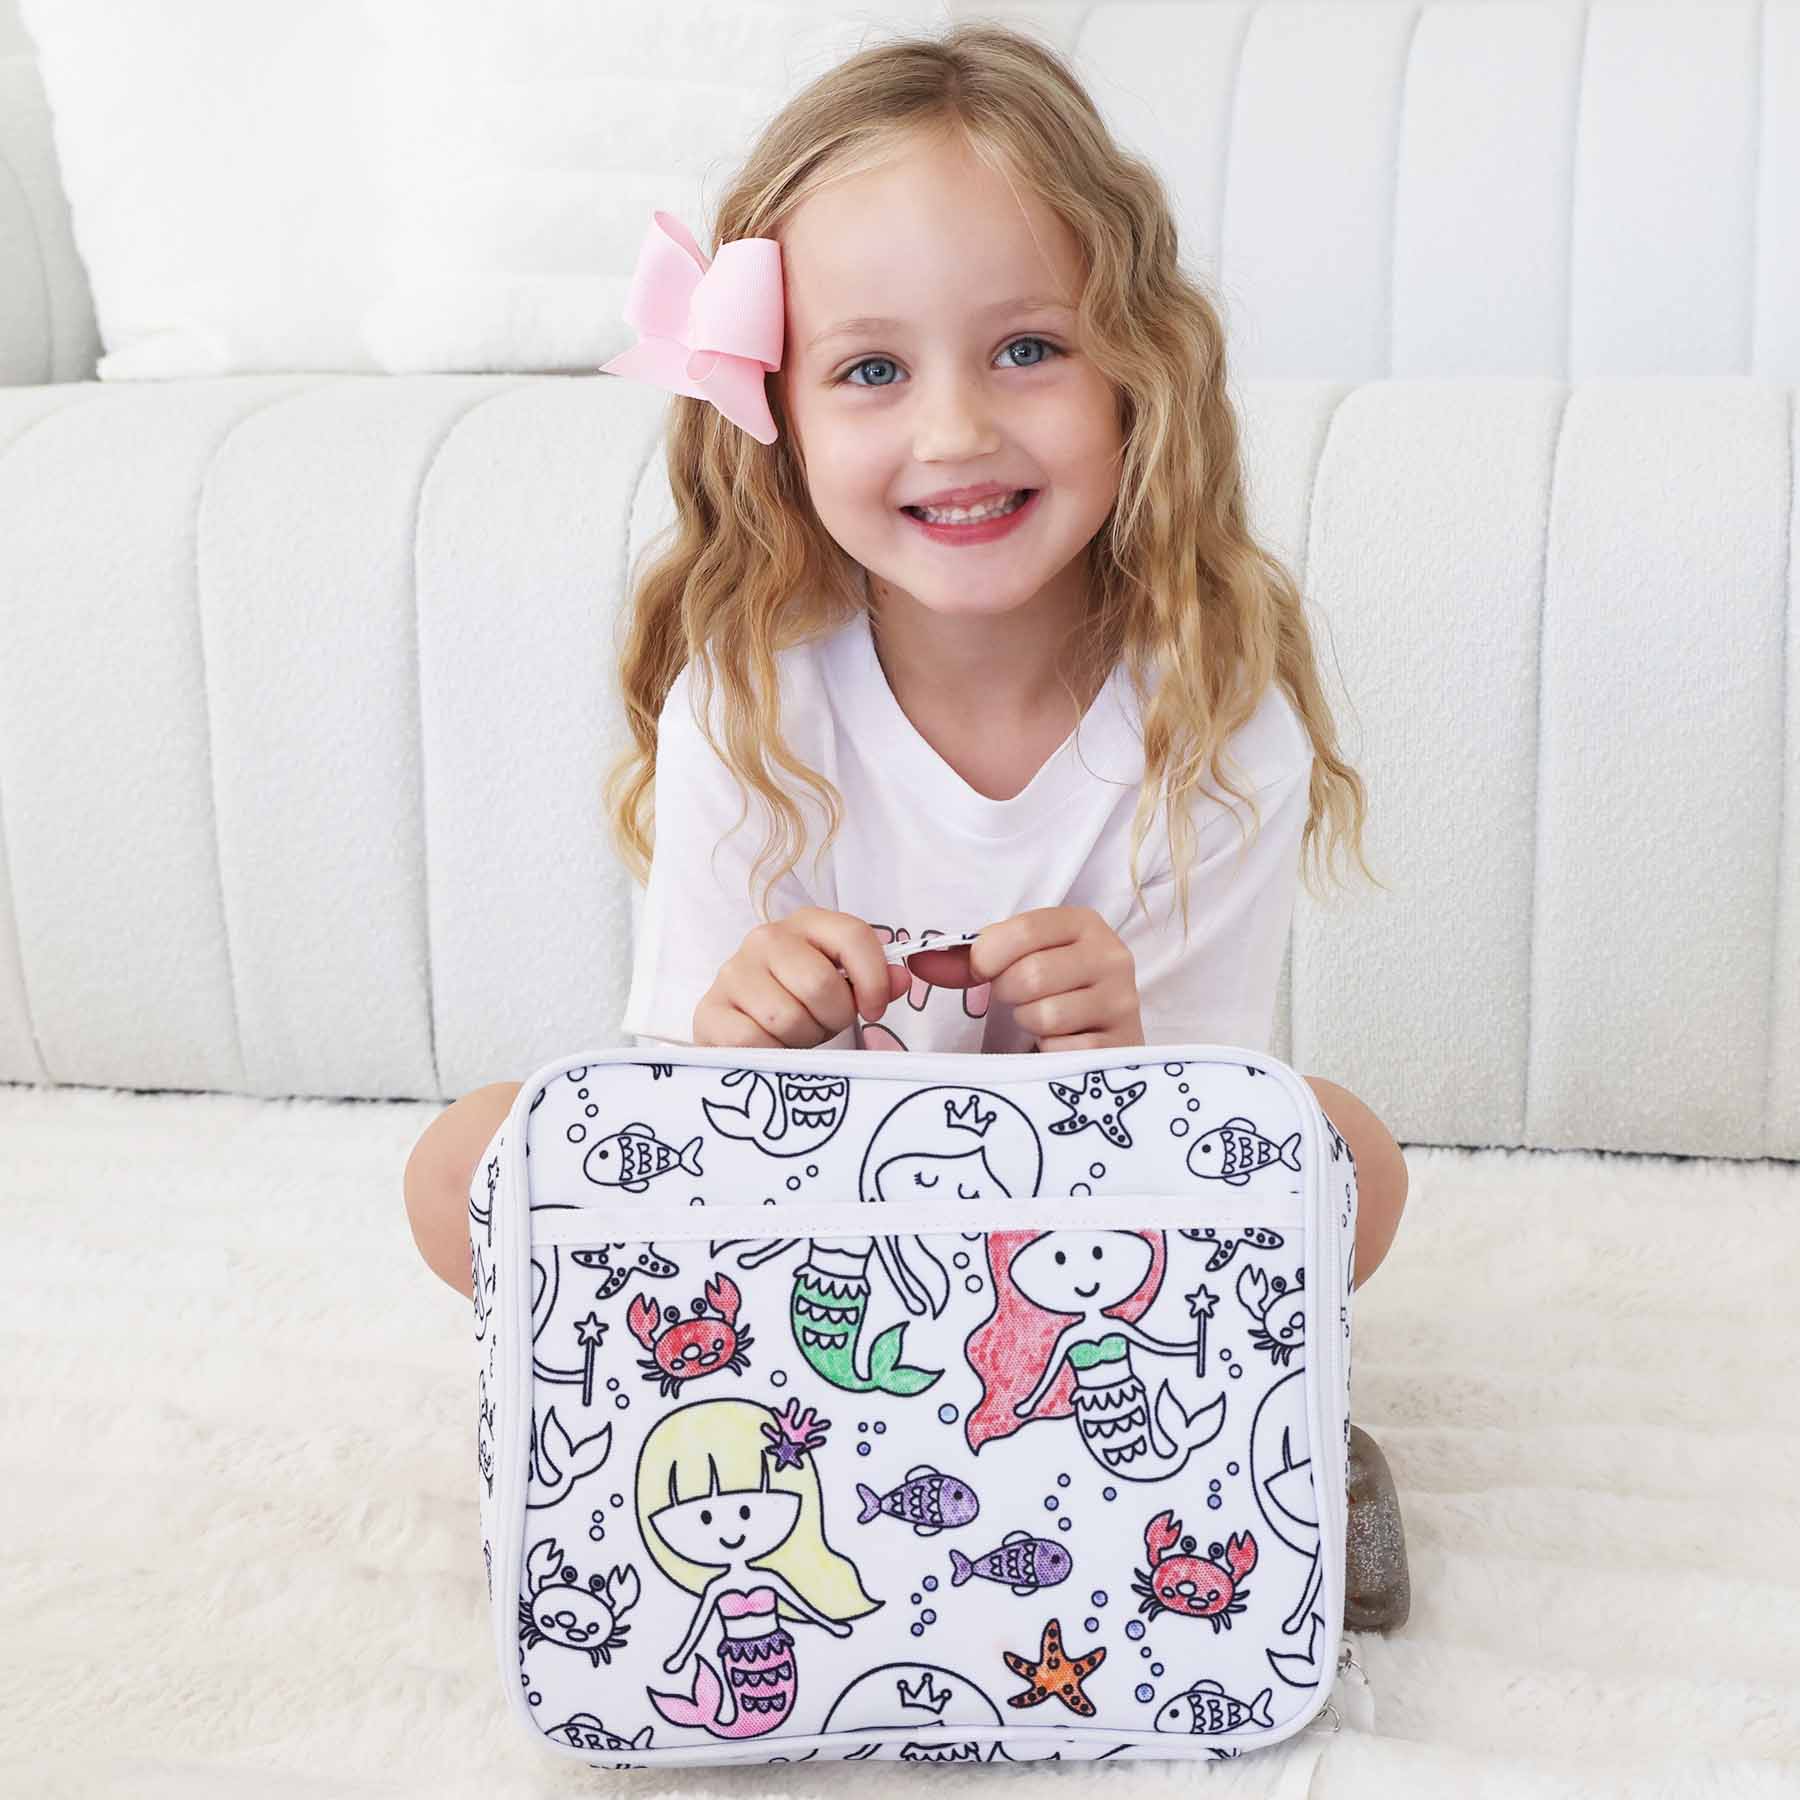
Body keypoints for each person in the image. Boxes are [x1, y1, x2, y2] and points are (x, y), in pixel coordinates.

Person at [402, 21, 1410, 1631]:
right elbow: (686, 1127)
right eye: (872, 371)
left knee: (1347, 1153)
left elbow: (1196, 1136)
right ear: (779, 415)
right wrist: (742, 1042)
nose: (955, 433)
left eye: (1028, 349)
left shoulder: (1216, 722)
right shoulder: (749, 703)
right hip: (808, 1249)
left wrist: (1114, 1048)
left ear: (1138, 369)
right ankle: (846, 1436)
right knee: (467, 1157)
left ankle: (1156, 1435)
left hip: (1063, 1259)